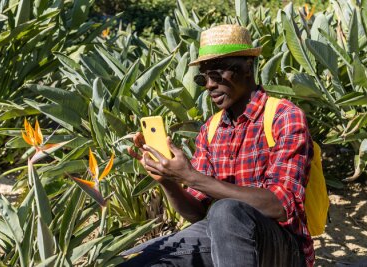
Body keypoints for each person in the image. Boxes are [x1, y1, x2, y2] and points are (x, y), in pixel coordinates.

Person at [121, 24, 314, 267]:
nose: (209, 85)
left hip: (282, 249)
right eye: (204, 77)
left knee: (226, 211)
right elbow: (197, 213)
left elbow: (280, 206)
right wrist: (168, 178)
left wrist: (191, 176)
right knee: (146, 257)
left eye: (217, 75)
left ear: (247, 68)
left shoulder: (284, 116)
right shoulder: (211, 130)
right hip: (226, 241)